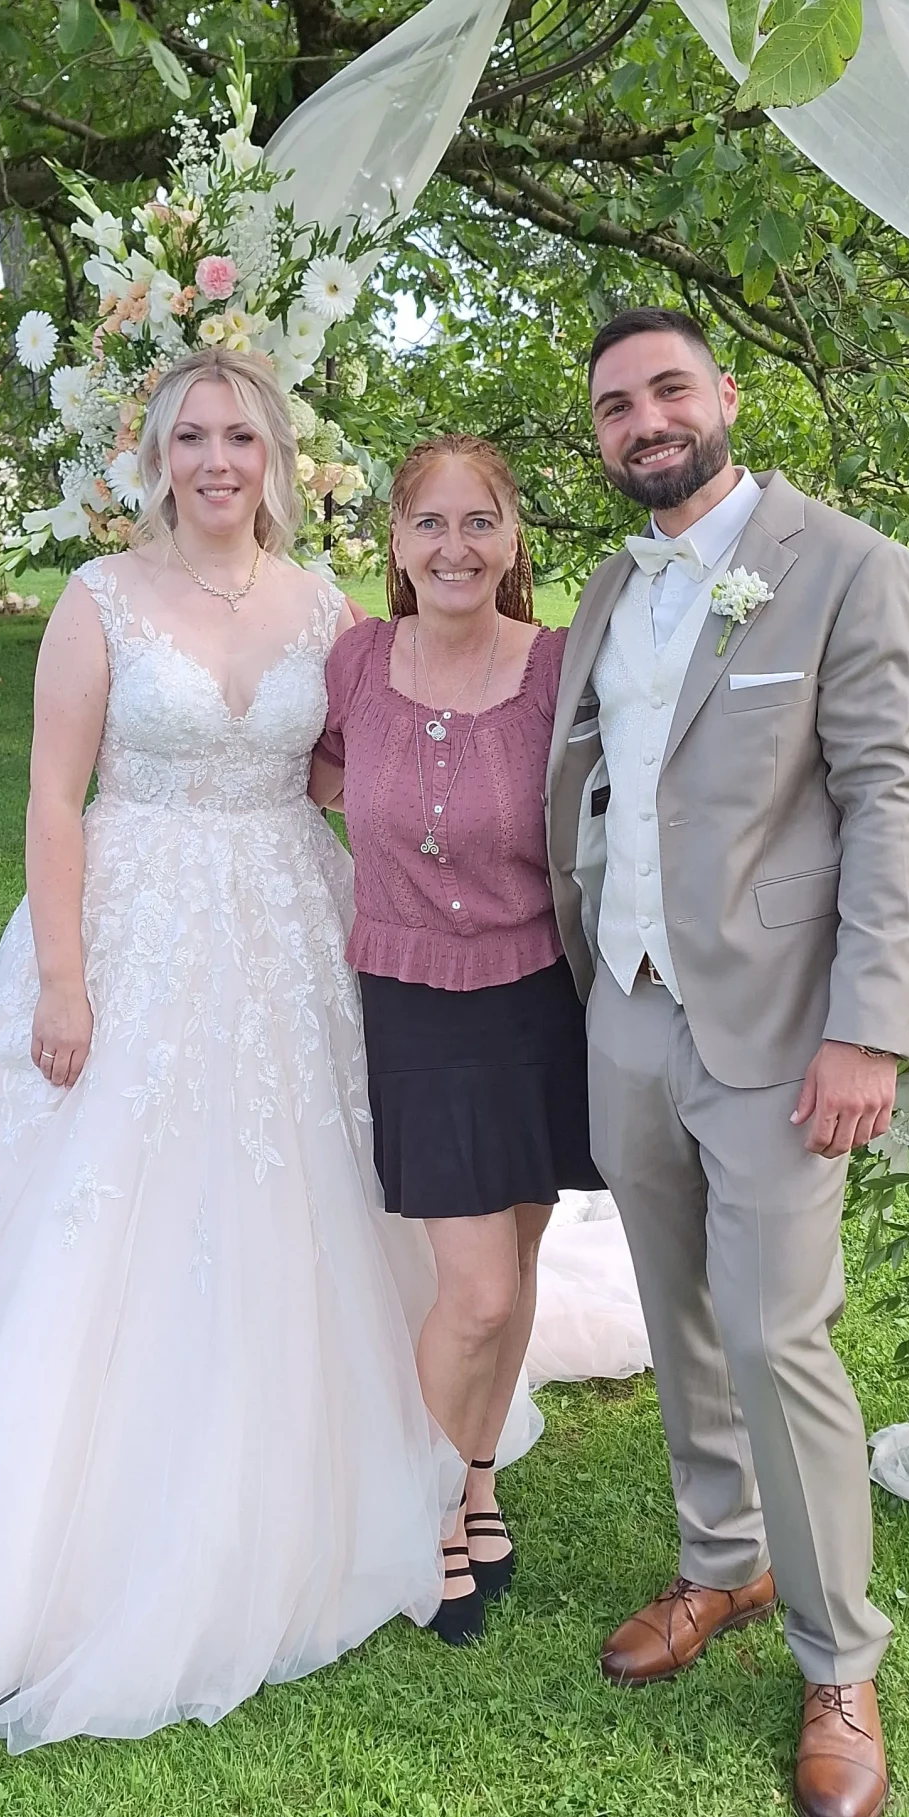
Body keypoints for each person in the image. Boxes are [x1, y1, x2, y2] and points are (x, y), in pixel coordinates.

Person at [0, 350, 452, 1761]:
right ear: (156, 454)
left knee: (302, 1191)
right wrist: (62, 978)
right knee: (89, 1195)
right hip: (130, 924)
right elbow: (56, 797)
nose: (216, 459)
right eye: (191, 437)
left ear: (276, 453)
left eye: (240, 435)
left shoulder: (326, 608)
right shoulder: (100, 598)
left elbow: (350, 778)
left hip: (290, 920)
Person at [543, 309, 909, 1817]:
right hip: (628, 1009)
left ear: (724, 400)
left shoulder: (845, 566)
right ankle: (723, 1559)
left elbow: (890, 804)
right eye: (615, 405)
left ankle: (841, 1663)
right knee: (676, 1316)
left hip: (782, 1027)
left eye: (668, 391)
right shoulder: (602, 587)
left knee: (781, 1338)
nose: (644, 421)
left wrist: (869, 1027)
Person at [313, 436, 600, 1645]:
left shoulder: (558, 667)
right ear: (394, 541)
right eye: (429, 524)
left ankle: (478, 1478)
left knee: (521, 1262)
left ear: (514, 538)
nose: (455, 548)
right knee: (472, 1289)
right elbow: (317, 778)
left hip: (543, 995)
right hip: (415, 997)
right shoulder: (357, 664)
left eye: (479, 522)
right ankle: (421, 1508)